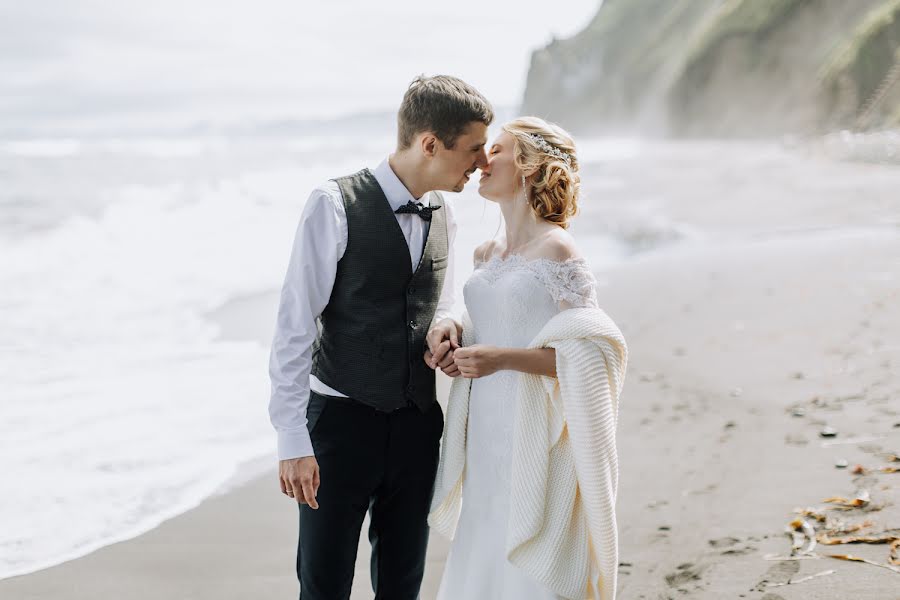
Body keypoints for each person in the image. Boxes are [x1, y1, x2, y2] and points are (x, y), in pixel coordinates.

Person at [268, 74, 493, 600]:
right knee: (323, 587)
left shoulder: (445, 212)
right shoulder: (332, 204)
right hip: (339, 428)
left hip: (417, 425)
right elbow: (293, 327)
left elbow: (438, 299)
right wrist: (291, 440)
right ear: (430, 144)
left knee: (403, 584)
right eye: (474, 148)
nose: (482, 162)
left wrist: (447, 326)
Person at [426, 116, 628, 600]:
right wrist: (454, 333)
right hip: (484, 429)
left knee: (527, 557)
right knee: (484, 544)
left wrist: (502, 359)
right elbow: (492, 321)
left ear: (532, 168)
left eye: (497, 150)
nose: (482, 160)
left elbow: (589, 355)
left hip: (533, 430)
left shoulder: (557, 249)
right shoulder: (485, 253)